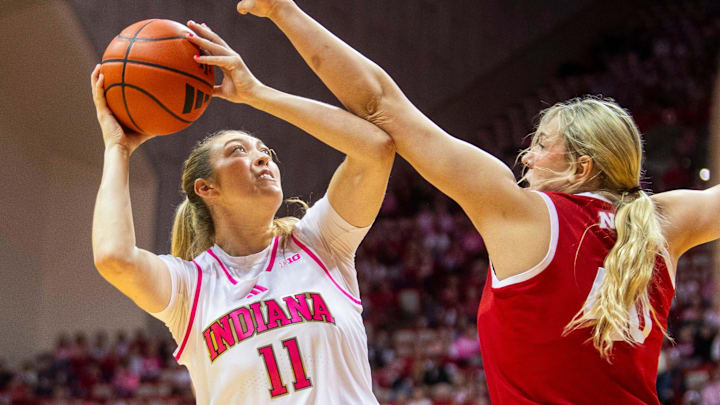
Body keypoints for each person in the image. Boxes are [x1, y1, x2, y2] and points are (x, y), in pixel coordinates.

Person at [233, 1, 720, 403]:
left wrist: (283, 12)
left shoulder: (527, 214)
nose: (526, 155)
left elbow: (381, 103)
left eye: (541, 142)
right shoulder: (667, 221)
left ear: (582, 165)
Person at [90, 19, 395, 404]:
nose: (262, 158)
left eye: (265, 151)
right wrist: (117, 150)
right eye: (239, 150)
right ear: (206, 189)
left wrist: (257, 93)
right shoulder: (191, 287)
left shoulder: (320, 242)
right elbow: (114, 258)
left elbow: (375, 150)